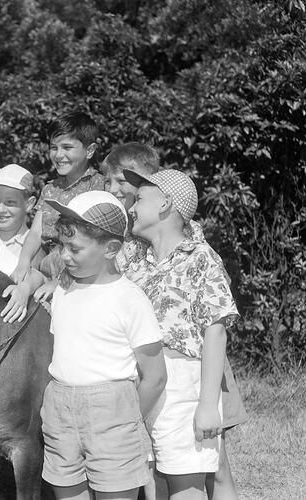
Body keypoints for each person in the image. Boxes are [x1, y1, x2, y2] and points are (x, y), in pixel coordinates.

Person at [102, 144, 246, 500]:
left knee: (186, 483)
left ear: (165, 203)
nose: (131, 206)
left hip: (181, 383)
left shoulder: (200, 258)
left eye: (140, 199)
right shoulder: (134, 257)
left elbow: (215, 332)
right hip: (138, 378)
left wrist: (208, 405)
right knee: (153, 481)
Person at [40, 190, 167, 500]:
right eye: (61, 246)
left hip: (113, 411)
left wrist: (128, 419)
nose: (65, 256)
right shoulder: (63, 292)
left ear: (111, 248)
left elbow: (155, 376)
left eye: (75, 249)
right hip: (59, 405)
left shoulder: (129, 299)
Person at [11, 111, 105, 300]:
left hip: (79, 272)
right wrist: (23, 262)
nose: (59, 155)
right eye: (54, 147)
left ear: (90, 150)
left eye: (67, 147)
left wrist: (60, 281)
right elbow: (36, 233)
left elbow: (95, 244)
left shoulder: (99, 187)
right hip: (45, 265)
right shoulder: (49, 189)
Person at [0, 163, 46, 323]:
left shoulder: (36, 248)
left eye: (10, 202)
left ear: (29, 204)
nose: (0, 209)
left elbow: (41, 279)